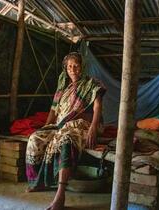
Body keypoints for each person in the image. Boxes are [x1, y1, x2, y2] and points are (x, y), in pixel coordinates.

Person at [25, 52, 106, 210]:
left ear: (82, 67)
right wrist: (47, 126)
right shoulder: (63, 86)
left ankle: (60, 194)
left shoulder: (92, 83)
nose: (73, 69)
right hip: (61, 124)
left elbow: (97, 107)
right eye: (70, 66)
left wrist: (93, 128)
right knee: (35, 138)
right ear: (66, 68)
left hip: (83, 123)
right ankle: (38, 182)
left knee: (66, 140)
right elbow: (54, 110)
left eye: (76, 66)